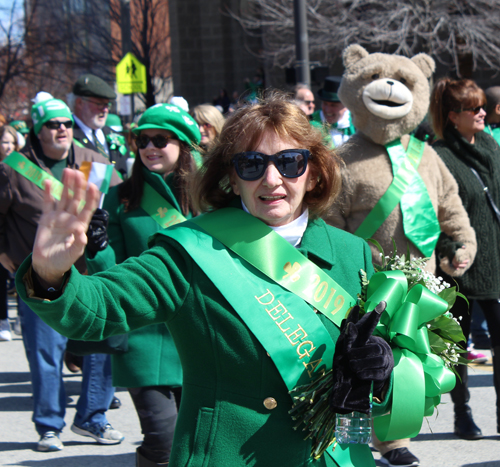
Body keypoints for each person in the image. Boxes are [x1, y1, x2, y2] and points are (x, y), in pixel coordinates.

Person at [17, 93, 394, 466]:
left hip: (324, 458)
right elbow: (98, 309)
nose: (271, 178)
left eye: (290, 162)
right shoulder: (191, 250)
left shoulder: (351, 253)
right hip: (226, 456)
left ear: (314, 174)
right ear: (232, 177)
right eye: (251, 164)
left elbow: (388, 363)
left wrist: (383, 368)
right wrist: (50, 273)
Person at [0, 93, 124, 451]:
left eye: (67, 124)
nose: (62, 130)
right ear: (38, 131)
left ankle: (93, 418)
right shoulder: (14, 168)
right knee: (45, 353)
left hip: (90, 277)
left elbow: (119, 209)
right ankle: (49, 425)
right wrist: (3, 252)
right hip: (40, 278)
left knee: (99, 349)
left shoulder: (95, 164)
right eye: (53, 125)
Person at [85, 103, 201, 466]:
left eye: (160, 139)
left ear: (183, 145)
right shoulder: (121, 197)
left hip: (198, 330)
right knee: (162, 439)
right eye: (142, 139)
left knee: (196, 440)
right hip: (144, 334)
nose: (149, 146)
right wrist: (96, 247)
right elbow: (111, 272)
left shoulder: (210, 196)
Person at [430, 78, 500, 441]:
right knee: (457, 348)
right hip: (457, 266)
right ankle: (462, 414)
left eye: (482, 106)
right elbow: (431, 212)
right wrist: (448, 249)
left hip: (496, 262)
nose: (483, 112)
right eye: (475, 109)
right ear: (454, 116)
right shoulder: (439, 156)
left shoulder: (490, 146)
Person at [71, 73, 131, 178]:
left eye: (107, 105)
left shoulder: (116, 137)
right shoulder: (66, 136)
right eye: (99, 104)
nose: (105, 110)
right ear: (80, 103)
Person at [0, 125, 20, 341]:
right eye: (4, 141)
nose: (8, 146)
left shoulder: (21, 167)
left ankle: (20, 319)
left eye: (12, 142)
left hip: (17, 237)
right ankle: (3, 319)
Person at [311, 76, 355, 147]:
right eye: (325, 104)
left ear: (346, 105)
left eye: (333, 105)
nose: (327, 110)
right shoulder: (310, 124)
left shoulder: (356, 124)